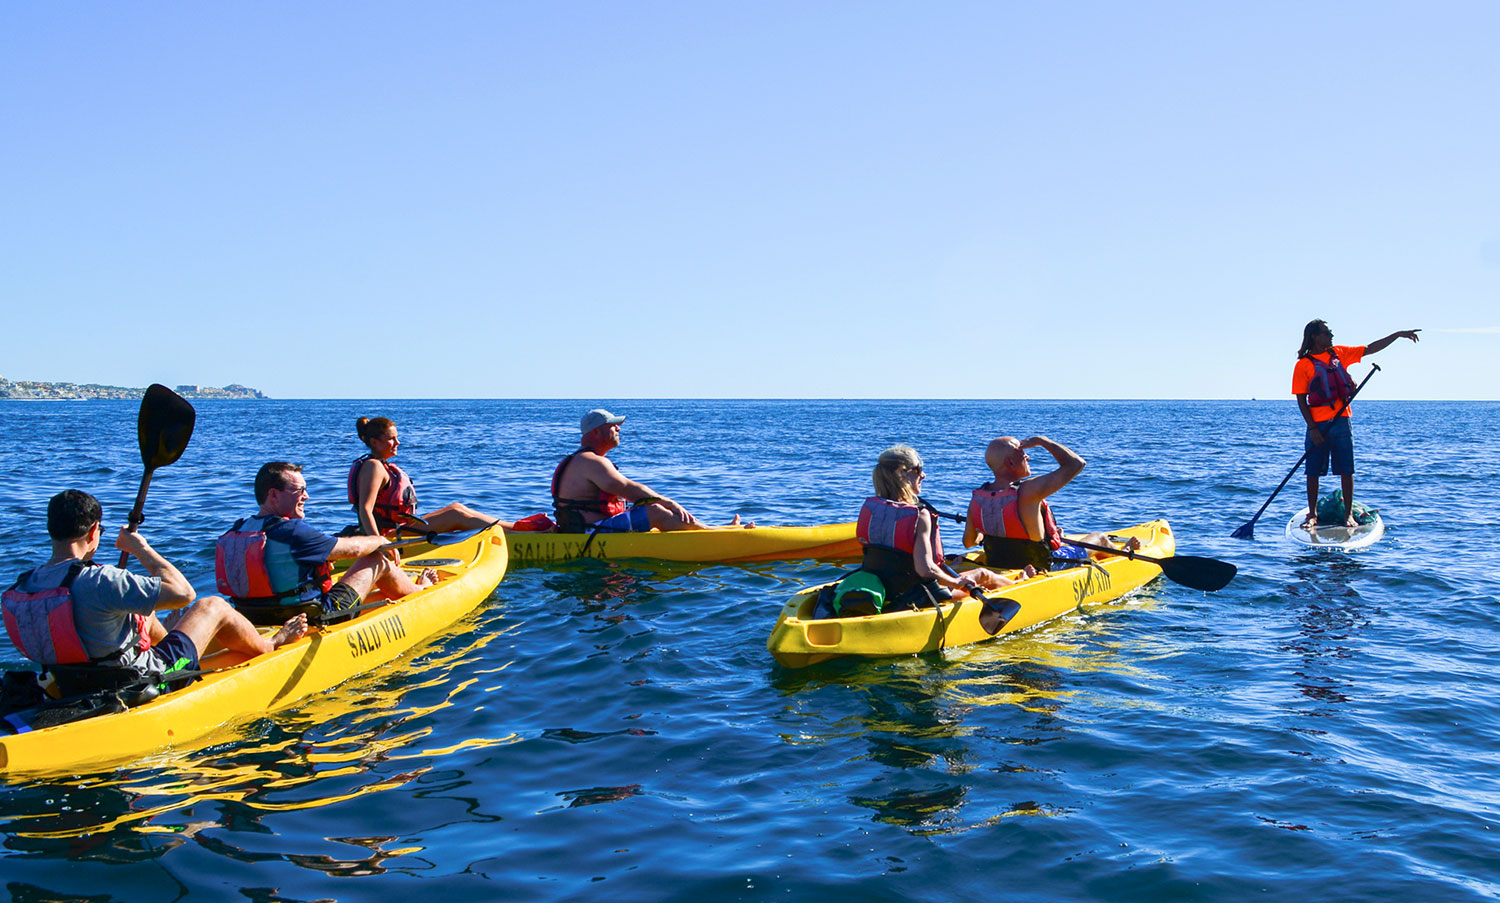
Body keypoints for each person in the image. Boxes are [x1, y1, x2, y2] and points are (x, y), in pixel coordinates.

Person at [3, 490, 306, 696]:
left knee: (138, 609)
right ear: (94, 531)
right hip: (137, 682)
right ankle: (270, 644)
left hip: (71, 682)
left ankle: (177, 641)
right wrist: (140, 548)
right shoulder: (100, 579)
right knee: (212, 605)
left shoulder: (21, 587)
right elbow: (183, 593)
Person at [216, 462, 437, 625]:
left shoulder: (237, 529)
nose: (307, 496)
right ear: (273, 495)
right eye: (299, 490)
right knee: (375, 559)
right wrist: (379, 539)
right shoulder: (292, 530)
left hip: (252, 615)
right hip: (316, 614)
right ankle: (420, 589)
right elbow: (356, 549)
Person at [823, 445, 1028, 618]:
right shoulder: (919, 515)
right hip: (918, 595)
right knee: (983, 574)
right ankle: (1022, 585)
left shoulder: (870, 508)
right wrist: (957, 582)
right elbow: (925, 570)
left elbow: (891, 556)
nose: (923, 475)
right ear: (903, 473)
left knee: (958, 568)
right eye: (918, 469)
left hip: (885, 587)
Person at [1292, 320, 1420, 529]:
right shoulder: (1303, 365)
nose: (1331, 336)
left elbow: (1370, 348)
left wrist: (1397, 335)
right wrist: (1313, 428)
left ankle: (1348, 515)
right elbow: (1300, 399)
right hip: (1318, 424)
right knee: (1313, 470)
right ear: (1315, 336)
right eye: (1327, 332)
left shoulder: (1339, 353)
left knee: (1346, 469)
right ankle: (1312, 515)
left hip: (1342, 421)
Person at [550, 409, 748, 533]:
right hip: (589, 532)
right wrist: (669, 502)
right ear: (596, 432)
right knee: (655, 511)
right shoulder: (591, 462)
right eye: (613, 426)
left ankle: (713, 529)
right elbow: (627, 488)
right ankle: (712, 533)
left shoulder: (581, 459)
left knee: (650, 510)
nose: (619, 429)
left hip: (585, 528)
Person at [963, 435, 1139, 571]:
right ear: (1010, 462)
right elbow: (1076, 464)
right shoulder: (1028, 490)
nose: (1027, 457)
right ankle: (1124, 553)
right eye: (1022, 453)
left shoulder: (978, 497)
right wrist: (1043, 441)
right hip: (1044, 566)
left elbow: (969, 542)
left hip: (998, 563)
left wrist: (988, 532)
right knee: (1100, 538)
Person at [347, 416, 508, 536]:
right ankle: (514, 535)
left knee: (456, 507)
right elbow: (365, 509)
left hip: (400, 526)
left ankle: (516, 528)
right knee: (456, 516)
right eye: (391, 439)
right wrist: (378, 544)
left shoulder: (380, 465)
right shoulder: (373, 467)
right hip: (387, 534)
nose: (398, 442)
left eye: (397, 437)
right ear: (374, 442)